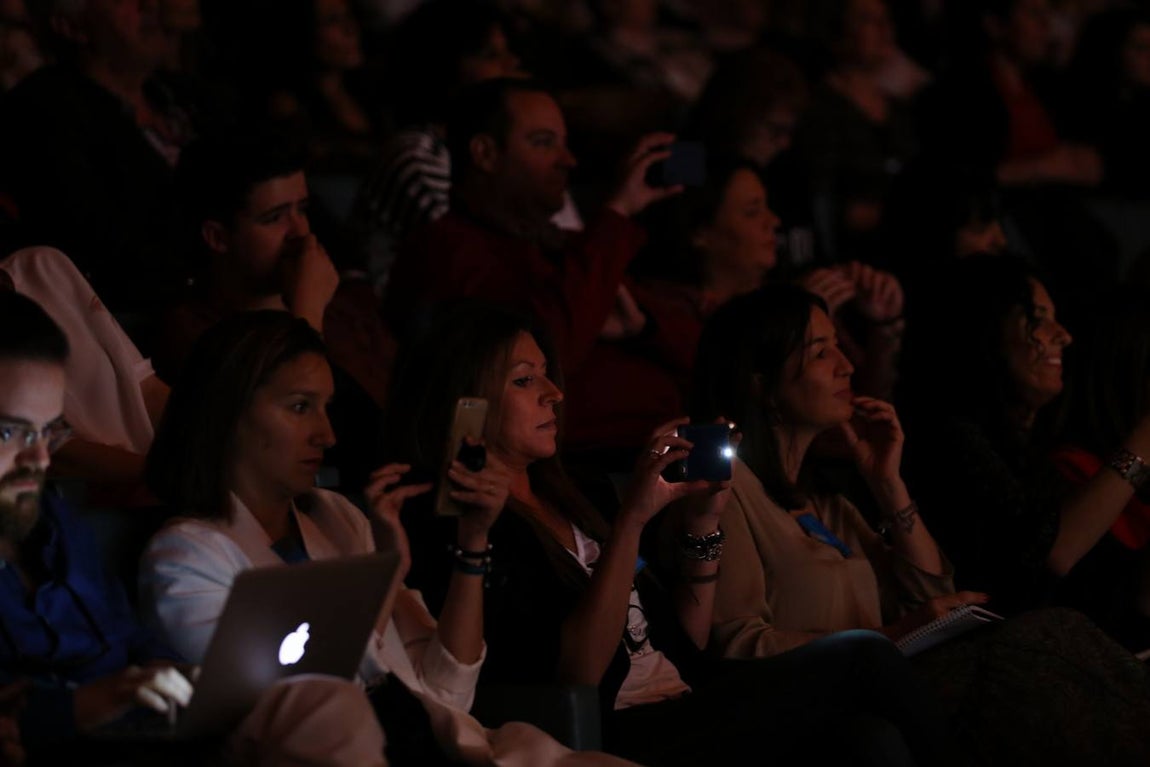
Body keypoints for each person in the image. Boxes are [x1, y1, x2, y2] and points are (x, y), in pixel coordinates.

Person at [389, 303, 954, 767]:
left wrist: (704, 522)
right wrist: (632, 522)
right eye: (523, 380)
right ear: (467, 404)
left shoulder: (576, 494)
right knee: (863, 654)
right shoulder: (462, 524)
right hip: (620, 727)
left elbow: (686, 640)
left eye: (546, 374)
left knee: (866, 741)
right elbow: (578, 676)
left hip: (686, 697)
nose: (553, 393)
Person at [139, 310, 633, 766]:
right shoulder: (188, 555)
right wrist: (380, 583)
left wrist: (472, 544)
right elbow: (292, 713)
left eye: (326, 408)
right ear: (229, 414)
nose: (327, 435)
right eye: (300, 407)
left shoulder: (337, 517)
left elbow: (449, 693)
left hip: (443, 740)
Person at [692, 281, 1150, 766]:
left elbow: (929, 591)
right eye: (821, 352)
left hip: (897, 687)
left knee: (1059, 644)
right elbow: (736, 642)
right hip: (822, 705)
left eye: (839, 346)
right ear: (760, 383)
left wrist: (887, 483)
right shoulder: (725, 492)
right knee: (1041, 645)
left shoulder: (827, 502)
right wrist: (892, 635)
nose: (847, 365)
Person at [0, 291, 391, 766]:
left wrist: (174, 674)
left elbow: (128, 637)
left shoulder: (53, 525)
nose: (40, 459)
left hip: (155, 736)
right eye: (10, 432)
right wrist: (78, 707)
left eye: (49, 433)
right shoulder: (187, 550)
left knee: (327, 707)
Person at [384, 77, 697, 467]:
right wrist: (617, 213)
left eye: (565, 143)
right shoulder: (445, 251)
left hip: (661, 445)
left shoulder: (560, 246)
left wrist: (643, 327)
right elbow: (551, 351)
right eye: (544, 142)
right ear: (485, 153)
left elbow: (701, 354)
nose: (568, 160)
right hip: (591, 465)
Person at [160, 125, 394, 489]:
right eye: (275, 218)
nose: (300, 232)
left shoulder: (344, 305)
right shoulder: (196, 333)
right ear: (218, 237)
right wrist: (307, 311)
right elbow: (264, 447)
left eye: (303, 209)